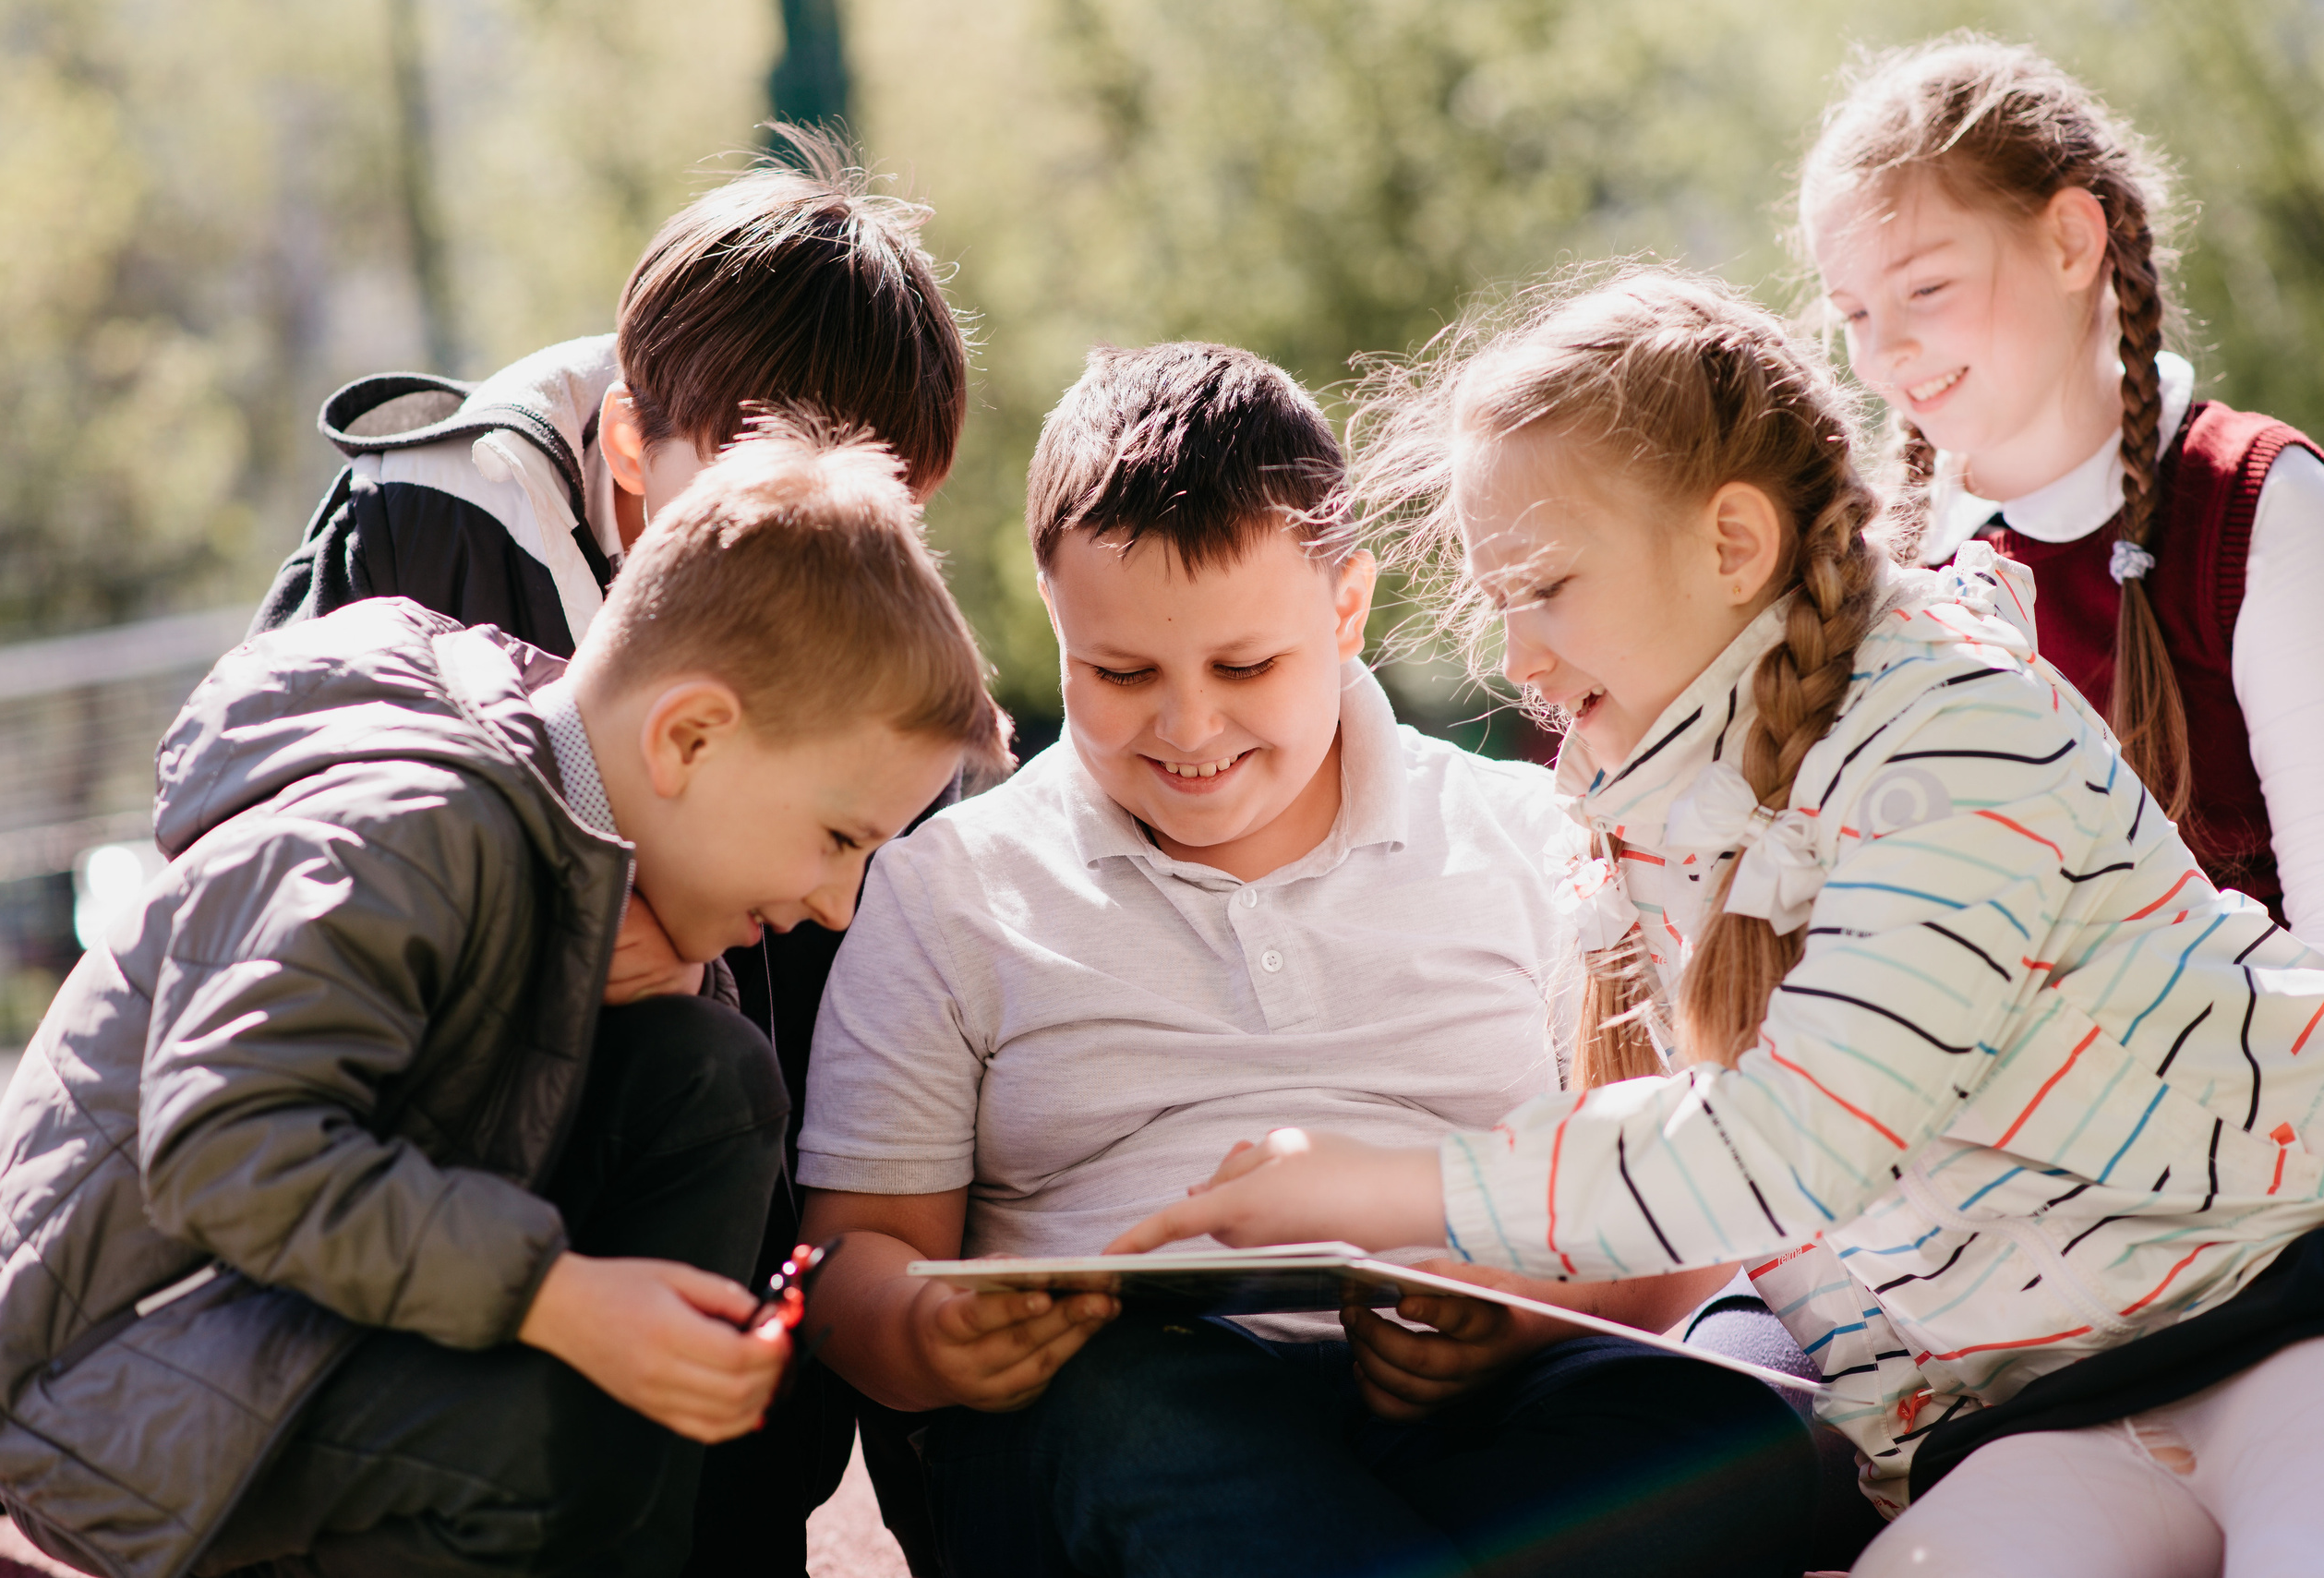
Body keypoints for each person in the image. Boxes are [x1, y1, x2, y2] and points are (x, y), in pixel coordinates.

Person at [1111, 268, 2324, 1578]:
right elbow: (1743, 1203)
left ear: (1730, 543)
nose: (1518, 658)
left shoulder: (1958, 739)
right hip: (2048, 1413)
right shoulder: (1678, 816)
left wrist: (1389, 1185)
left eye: (1547, 586)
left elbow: (1796, 1141)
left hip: (2279, 1311)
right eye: (1498, 601)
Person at [794, 341, 1816, 1578]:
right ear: (1053, 618)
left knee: (1725, 1432)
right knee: (1137, 1406)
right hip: (1116, 1434)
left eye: (1245, 666)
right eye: (1119, 673)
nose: (1188, 727)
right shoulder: (948, 891)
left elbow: (1678, 1203)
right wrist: (923, 1328)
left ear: (1344, 609)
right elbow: (852, 1260)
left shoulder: (1525, 836)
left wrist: (1527, 1309)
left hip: (1479, 1421)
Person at [0, 427, 1010, 1578]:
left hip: (298, 1315)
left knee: (709, 1074)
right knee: (545, 1454)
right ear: (688, 737)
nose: (838, 900)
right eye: (837, 838)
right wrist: (557, 1298)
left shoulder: (577, 836)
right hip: (115, 1372)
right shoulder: (401, 828)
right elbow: (227, 1148)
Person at [249, 127, 971, 1571]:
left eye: (878, 524)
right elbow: (283, 869)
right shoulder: (434, 528)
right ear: (632, 443)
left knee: (798, 1068)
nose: (825, 556)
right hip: (438, 1132)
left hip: (703, 1141)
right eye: (780, 497)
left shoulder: (865, 656)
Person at [1800, 34, 2324, 937]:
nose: (1882, 351)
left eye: (1924, 286)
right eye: (1851, 312)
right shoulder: (1879, 577)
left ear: (2071, 241)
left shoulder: (2253, 505)